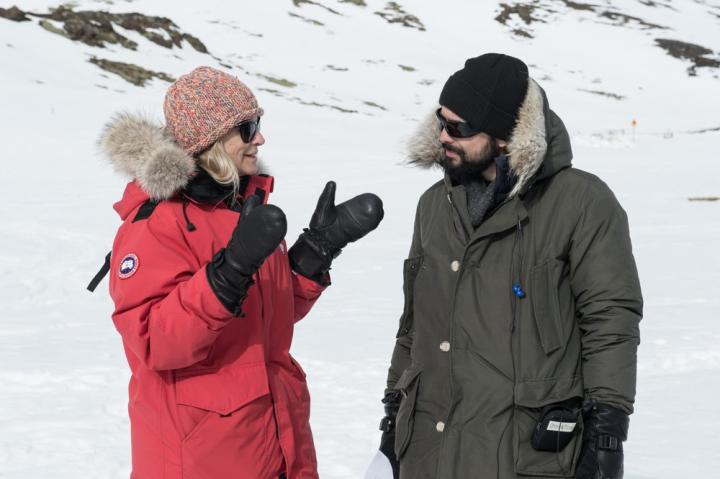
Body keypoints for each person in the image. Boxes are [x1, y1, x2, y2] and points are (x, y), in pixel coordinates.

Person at [99, 66, 384, 479]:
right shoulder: (156, 223)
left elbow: (264, 318)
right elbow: (154, 342)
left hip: (276, 442)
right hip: (203, 459)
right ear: (209, 140)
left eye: (259, 124)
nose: (260, 139)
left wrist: (316, 251)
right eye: (248, 128)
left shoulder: (241, 206)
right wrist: (227, 273)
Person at [374, 54, 642, 479]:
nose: (443, 135)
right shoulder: (434, 206)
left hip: (523, 455)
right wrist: (392, 418)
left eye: (459, 128)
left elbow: (611, 321)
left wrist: (607, 434)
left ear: (503, 136)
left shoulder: (582, 203)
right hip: (428, 452)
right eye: (440, 120)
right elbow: (413, 328)